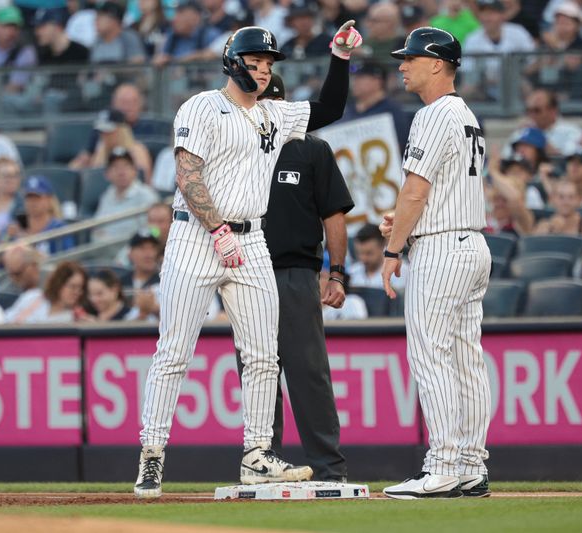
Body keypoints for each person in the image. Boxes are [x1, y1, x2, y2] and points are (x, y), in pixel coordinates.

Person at [134, 22, 363, 498]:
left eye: (268, 65)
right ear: (232, 62)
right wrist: (216, 229)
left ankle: (257, 454)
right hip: (197, 236)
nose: (261, 71)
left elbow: (330, 108)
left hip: (252, 239)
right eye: (254, 63)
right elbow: (187, 172)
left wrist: (339, 58)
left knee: (263, 353)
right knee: (174, 353)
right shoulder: (203, 105)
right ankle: (152, 455)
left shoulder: (273, 114)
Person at [381, 27, 492, 499]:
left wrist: (392, 249)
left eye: (409, 58)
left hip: (442, 249)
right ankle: (471, 463)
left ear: (435, 63)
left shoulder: (432, 114)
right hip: (471, 244)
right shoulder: (465, 114)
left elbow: (416, 190)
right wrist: (405, 223)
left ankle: (443, 464)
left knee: (432, 356)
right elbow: (430, 194)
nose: (402, 65)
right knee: (467, 359)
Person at [232, 73, 353, 482]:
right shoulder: (240, 149)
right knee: (256, 372)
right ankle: (264, 461)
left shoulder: (312, 150)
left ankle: (328, 468)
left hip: (294, 273)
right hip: (246, 271)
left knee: (307, 372)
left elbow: (333, 214)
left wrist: (335, 272)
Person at [339, 62, 412, 152]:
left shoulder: (392, 111)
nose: (355, 82)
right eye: (354, 78)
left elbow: (397, 148)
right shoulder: (349, 111)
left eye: (360, 78)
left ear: (377, 81)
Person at [92, 146, 160, 242]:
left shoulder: (147, 196)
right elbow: (97, 229)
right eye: (115, 167)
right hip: (102, 252)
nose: (121, 172)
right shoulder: (107, 195)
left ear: (135, 171)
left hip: (132, 252)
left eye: (126, 166)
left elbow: (154, 232)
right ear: (107, 174)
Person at [74, 109, 153, 181]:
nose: (104, 136)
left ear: (122, 130)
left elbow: (145, 181)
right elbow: (95, 181)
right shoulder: (102, 149)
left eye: (109, 132)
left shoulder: (137, 151)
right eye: (101, 132)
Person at [6, 175, 76, 256]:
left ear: (49, 200)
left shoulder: (59, 228)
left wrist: (28, 245)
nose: (32, 202)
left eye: (37, 197)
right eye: (29, 197)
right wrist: (6, 239)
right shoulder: (17, 228)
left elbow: (67, 261)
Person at [511, 88, 582, 157]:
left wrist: (538, 136)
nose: (531, 115)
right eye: (528, 110)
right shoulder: (522, 132)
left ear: (553, 111)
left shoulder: (571, 132)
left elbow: (568, 161)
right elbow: (507, 158)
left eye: (537, 110)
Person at [151, 0, 221, 66]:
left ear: (196, 15)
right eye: (175, 12)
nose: (174, 18)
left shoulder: (210, 35)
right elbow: (161, 57)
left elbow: (220, 66)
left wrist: (197, 57)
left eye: (180, 12)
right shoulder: (171, 36)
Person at [534, 179, 582, 247]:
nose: (566, 202)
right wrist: (552, 231)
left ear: (579, 200)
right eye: (561, 197)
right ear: (552, 199)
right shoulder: (544, 225)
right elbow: (536, 250)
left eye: (571, 197)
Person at [349, 223, 407, 290]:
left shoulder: (399, 271)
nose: (363, 258)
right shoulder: (352, 273)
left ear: (382, 246)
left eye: (369, 253)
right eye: (359, 253)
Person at [2, 244, 48, 324]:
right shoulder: (5, 292)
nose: (14, 279)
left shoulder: (54, 281)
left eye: (18, 273)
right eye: (10, 274)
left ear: (33, 266)